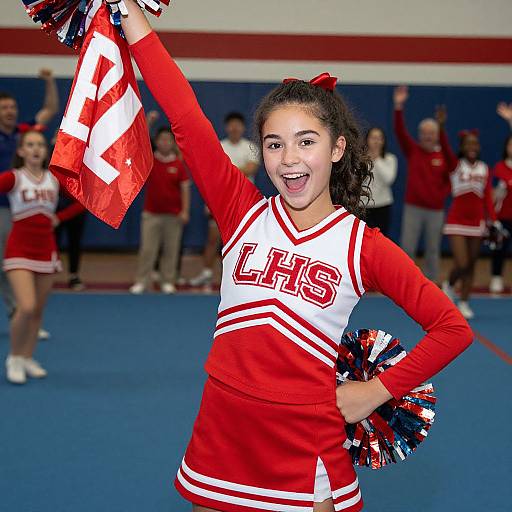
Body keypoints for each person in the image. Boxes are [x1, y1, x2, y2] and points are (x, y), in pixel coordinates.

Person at [117, 3, 473, 510]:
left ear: (336, 148)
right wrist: (130, 16)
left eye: (306, 142)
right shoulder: (241, 211)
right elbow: (186, 117)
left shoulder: (362, 245)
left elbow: (452, 328)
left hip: (304, 445)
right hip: (222, 429)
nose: (289, 159)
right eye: (274, 144)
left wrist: (376, 392)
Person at [0, 130, 83, 384]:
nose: (35, 149)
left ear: (45, 151)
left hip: (46, 250)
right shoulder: (13, 178)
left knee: (37, 310)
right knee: (24, 306)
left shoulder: (53, 180)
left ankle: (27, 357)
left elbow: (83, 200)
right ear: (21, 151)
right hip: (19, 251)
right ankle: (14, 356)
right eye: (30, 145)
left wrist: (60, 218)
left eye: (39, 145)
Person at [0, 68, 59, 335]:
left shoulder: (25, 132)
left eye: (12, 107)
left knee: (16, 261)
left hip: (21, 207)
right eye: (4, 108)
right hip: (3, 206)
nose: (9, 111)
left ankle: (23, 312)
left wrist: (49, 82)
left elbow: (49, 109)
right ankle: (21, 311)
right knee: (8, 263)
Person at [437, 108, 497, 319]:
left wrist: (494, 222)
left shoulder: (484, 168)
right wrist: (442, 127)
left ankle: (464, 301)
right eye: (468, 144)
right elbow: (444, 148)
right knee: (461, 263)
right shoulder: (455, 165)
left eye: (475, 144)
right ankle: (449, 284)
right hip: (457, 221)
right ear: (462, 147)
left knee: (471, 264)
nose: (472, 147)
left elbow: (487, 198)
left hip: (477, 222)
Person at [189, 112, 260, 289]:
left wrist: (226, 171)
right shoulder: (219, 146)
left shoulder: (251, 147)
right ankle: (207, 273)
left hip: (244, 202)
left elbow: (250, 169)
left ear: (243, 128)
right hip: (220, 201)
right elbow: (213, 176)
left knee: (241, 241)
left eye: (238, 124)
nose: (234, 128)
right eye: (231, 125)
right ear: (227, 127)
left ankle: (234, 278)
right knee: (213, 238)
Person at [393, 85, 451, 283]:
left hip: (435, 210)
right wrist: (398, 107)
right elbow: (400, 132)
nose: (427, 136)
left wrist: (441, 195)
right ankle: (405, 285)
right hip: (413, 209)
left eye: (431, 133)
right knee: (407, 248)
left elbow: (453, 172)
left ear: (437, 135)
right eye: (424, 133)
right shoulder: (414, 151)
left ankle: (432, 285)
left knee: (433, 251)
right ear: (419, 135)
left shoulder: (444, 155)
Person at [130, 126, 190, 294]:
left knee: (171, 250)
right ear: (156, 142)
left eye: (168, 140)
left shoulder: (179, 164)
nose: (165, 142)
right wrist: (148, 123)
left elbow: (185, 189)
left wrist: (185, 211)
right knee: (148, 249)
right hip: (151, 214)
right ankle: (142, 280)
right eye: (162, 139)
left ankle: (168, 280)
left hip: (173, 216)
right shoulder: (149, 161)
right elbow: (139, 143)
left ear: (173, 143)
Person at [489, 133, 512, 293]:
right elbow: (490, 194)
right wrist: (498, 191)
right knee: (500, 249)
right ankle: (496, 278)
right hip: (502, 217)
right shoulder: (499, 168)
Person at [364, 127, 397, 236]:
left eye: (379, 138)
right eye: (373, 138)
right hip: (363, 205)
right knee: (363, 238)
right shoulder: (360, 158)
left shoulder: (390, 159)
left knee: (381, 238)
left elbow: (389, 179)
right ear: (367, 140)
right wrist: (367, 160)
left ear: (383, 141)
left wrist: (377, 159)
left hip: (383, 205)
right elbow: (357, 179)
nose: (376, 141)